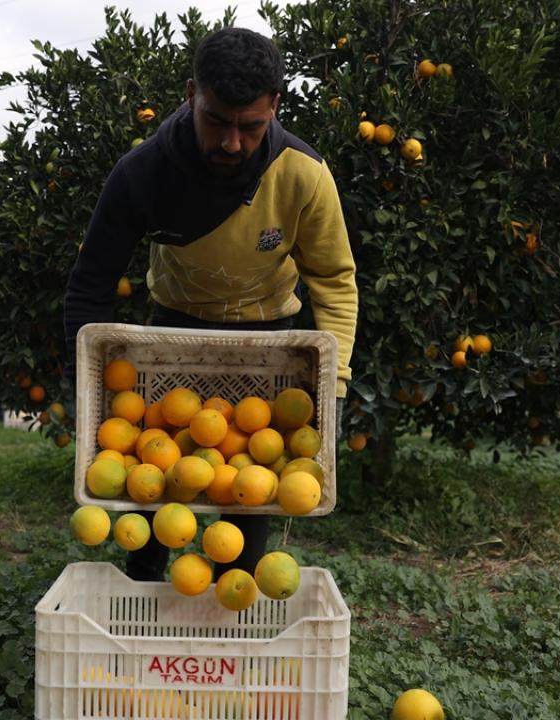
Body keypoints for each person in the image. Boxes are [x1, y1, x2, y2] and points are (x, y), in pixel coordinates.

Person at [63, 27, 357, 582]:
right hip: (176, 332)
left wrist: (333, 387)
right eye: (217, 121)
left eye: (251, 126)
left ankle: (232, 594)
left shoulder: (302, 174)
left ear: (275, 106)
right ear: (192, 94)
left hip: (269, 339)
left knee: (250, 492)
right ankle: (144, 584)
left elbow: (335, 281)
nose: (232, 143)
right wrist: (88, 386)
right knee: (155, 481)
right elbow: (91, 282)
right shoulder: (142, 174)